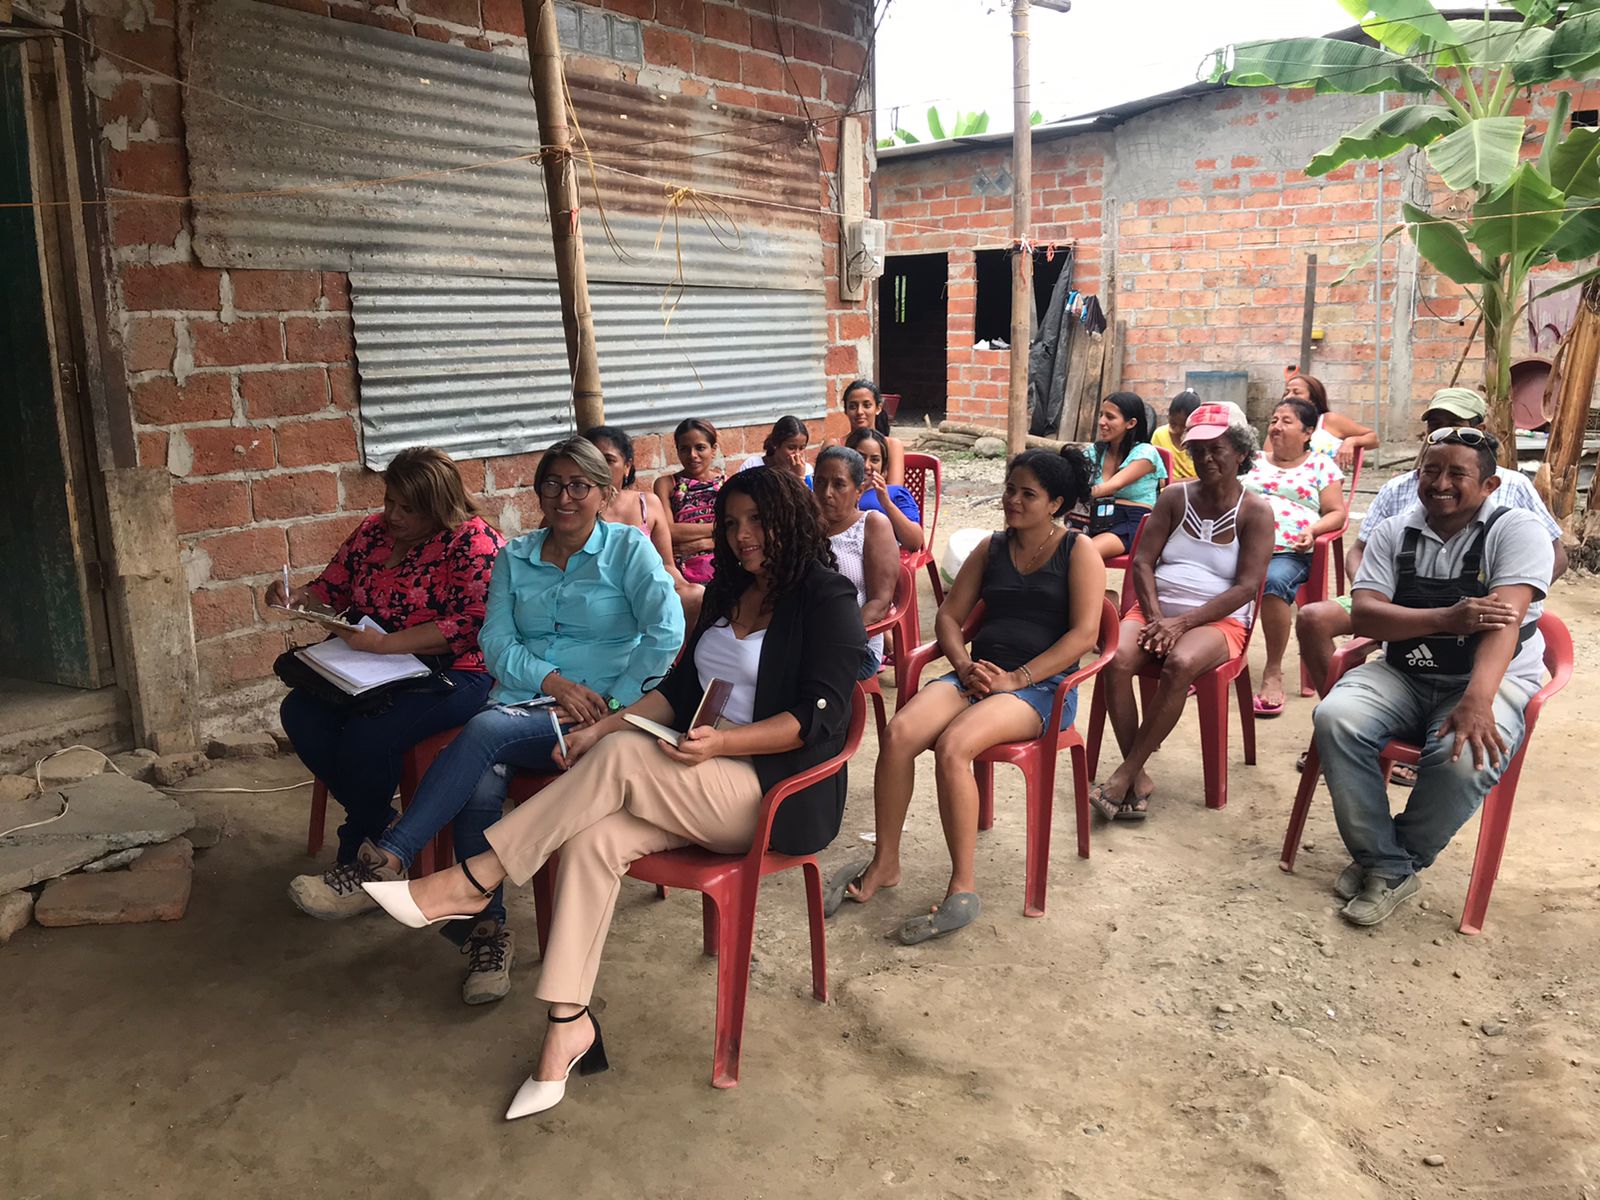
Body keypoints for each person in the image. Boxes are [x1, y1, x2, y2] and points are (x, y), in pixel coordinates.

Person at [360, 467, 865, 1118]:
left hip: (772, 792)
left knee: (625, 756)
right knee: (592, 838)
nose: (743, 536)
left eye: (758, 522)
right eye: (733, 522)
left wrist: (719, 745)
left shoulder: (826, 597)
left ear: (789, 520)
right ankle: (567, 1026)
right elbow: (680, 691)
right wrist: (600, 728)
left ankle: (475, 878)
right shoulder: (732, 589)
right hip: (696, 776)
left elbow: (818, 718)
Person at [290, 437, 683, 1006]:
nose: (565, 497)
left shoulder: (629, 551)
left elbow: (665, 634)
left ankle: (390, 857)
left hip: (598, 717)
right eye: (552, 484)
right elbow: (495, 641)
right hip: (524, 699)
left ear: (605, 494)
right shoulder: (516, 557)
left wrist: (616, 704)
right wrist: (552, 682)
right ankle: (489, 934)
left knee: (484, 731)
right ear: (538, 493)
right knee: (480, 779)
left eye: (579, 485)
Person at [830, 450, 1106, 942]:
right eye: (1010, 489)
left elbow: (1085, 635)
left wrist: (1016, 678)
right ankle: (886, 861)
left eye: (1028, 494)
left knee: (954, 746)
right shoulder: (991, 547)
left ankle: (962, 885)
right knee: (898, 734)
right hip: (976, 675)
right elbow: (949, 616)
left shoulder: (1077, 550)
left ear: (1056, 503)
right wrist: (962, 665)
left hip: (1042, 687)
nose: (1012, 500)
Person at [1312, 428, 1554, 927]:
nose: (1441, 483)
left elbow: (1503, 624)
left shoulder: (1517, 530)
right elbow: (1366, 614)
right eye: (1431, 471)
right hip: (1405, 671)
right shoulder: (1393, 531)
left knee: (1464, 756)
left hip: (1489, 676)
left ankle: (1389, 860)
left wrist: (1478, 700)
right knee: (1335, 717)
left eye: (1457, 474)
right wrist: (1447, 618)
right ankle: (1387, 863)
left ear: (1489, 486)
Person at [273, 446, 504, 885]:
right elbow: (331, 589)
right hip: (370, 663)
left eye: (409, 508)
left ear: (439, 506)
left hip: (455, 670)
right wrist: (299, 597)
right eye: (389, 501)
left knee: (368, 737)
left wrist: (386, 644)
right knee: (300, 712)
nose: (393, 515)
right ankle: (382, 827)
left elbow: (474, 623)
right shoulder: (372, 533)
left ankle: (359, 851)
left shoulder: (474, 543)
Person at [1296, 387, 1566, 730]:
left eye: (1456, 423)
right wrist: (1382, 596)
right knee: (1314, 619)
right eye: (1436, 424)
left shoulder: (1512, 486)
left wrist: (1516, 592)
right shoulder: (1398, 488)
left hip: (1481, 606)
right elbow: (1360, 551)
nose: (1441, 484)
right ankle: (1355, 721)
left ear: (1480, 429)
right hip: (1398, 597)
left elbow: (1555, 554)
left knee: (1461, 730)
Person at [1088, 404, 1274, 820]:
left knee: (1181, 663)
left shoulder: (1255, 511)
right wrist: (1157, 618)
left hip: (1219, 621)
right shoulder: (1175, 497)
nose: (1206, 458)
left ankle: (1125, 774)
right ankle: (1138, 776)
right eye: (1198, 450)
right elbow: (1143, 562)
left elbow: (1247, 587)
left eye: (1217, 449)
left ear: (1241, 452)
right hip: (1155, 612)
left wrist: (1183, 623)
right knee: (1115, 660)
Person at [1243, 397, 1347, 718]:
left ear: (1307, 432)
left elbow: (1337, 513)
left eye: (1286, 421)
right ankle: (1201, 661)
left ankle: (1273, 671)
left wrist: (1313, 530)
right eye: (1274, 420)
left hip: (1288, 552)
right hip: (1239, 546)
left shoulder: (1320, 465)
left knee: (1273, 582)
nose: (1276, 427)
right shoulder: (1252, 460)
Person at [585, 424, 704, 627]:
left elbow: (666, 564)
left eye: (608, 460)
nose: (599, 468)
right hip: (598, 594)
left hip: (646, 590)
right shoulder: (575, 509)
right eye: (591, 461)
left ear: (627, 466)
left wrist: (683, 587)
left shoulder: (646, 504)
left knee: (695, 596)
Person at [813, 446, 898, 677]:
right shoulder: (805, 527)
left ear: (859, 490)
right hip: (806, 637)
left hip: (856, 646)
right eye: (820, 482)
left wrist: (833, 637)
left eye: (839, 484)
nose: (826, 493)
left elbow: (880, 602)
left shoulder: (871, 525)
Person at [1086, 391, 1168, 560]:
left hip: (1132, 520)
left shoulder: (1146, 453)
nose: (1101, 422)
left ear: (1131, 423)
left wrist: (1071, 494)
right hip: (1097, 518)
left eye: (1110, 417)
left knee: (1083, 552)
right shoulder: (1095, 452)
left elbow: (1113, 486)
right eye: (1101, 415)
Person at [653, 417, 724, 590]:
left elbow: (734, 533)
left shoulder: (726, 484)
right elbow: (668, 531)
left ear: (713, 449)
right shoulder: (667, 484)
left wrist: (703, 544)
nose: (692, 455)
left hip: (723, 564)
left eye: (700, 448)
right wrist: (719, 529)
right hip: (683, 571)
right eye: (684, 449)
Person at [845, 427, 924, 552]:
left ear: (883, 466)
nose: (866, 465)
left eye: (875, 460)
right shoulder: (835, 492)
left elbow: (915, 543)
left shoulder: (894, 494)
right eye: (860, 457)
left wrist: (886, 503)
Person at [1284, 373, 1379, 473]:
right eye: (1286, 393)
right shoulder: (1279, 425)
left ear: (1313, 400)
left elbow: (1374, 439)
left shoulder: (1329, 421)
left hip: (1327, 482)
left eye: (1296, 393)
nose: (1288, 397)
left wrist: (1351, 442)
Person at [824, 379, 905, 484]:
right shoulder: (834, 445)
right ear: (845, 410)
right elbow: (824, 486)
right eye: (853, 406)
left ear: (878, 408)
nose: (859, 412)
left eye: (867, 405)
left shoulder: (892, 445)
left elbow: (895, 489)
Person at [1150, 389, 1200, 482]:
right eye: (1173, 424)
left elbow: (1203, 478)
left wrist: (1173, 483)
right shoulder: (1160, 435)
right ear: (1168, 415)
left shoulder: (1199, 440)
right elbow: (1155, 473)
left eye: (1183, 426)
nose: (1177, 430)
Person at [741, 414, 811, 479]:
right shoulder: (753, 465)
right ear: (775, 444)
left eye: (801, 448)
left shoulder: (806, 471)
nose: (797, 454)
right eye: (791, 448)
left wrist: (799, 476)